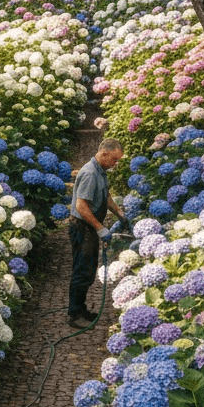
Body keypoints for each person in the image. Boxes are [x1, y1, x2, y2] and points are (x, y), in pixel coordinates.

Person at [68, 137, 127, 325]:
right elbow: (81, 206)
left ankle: (81, 308)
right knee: (82, 271)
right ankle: (74, 315)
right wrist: (100, 228)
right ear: (104, 153)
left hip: (90, 227)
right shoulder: (90, 173)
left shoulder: (101, 171)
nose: (115, 164)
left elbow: (106, 195)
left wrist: (119, 213)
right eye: (114, 160)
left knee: (89, 270)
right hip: (82, 227)